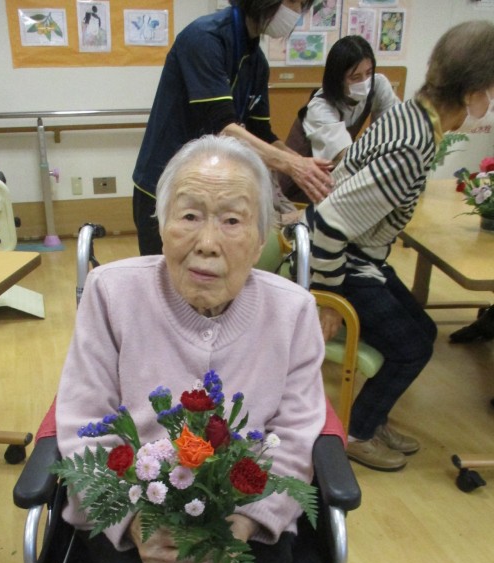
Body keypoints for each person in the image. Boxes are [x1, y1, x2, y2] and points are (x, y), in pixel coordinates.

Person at [56, 135, 327, 563]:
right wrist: (138, 525)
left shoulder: (292, 311)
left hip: (247, 525)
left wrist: (245, 523)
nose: (207, 243)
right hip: (133, 519)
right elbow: (82, 425)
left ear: (261, 237)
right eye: (189, 215)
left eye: (232, 219)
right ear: (160, 224)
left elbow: (297, 436)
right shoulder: (112, 294)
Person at [305, 20, 494, 472]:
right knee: (412, 348)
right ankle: (357, 433)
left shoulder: (412, 113)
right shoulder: (411, 144)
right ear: (473, 93)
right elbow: (329, 224)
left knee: (423, 333)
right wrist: (328, 298)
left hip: (357, 254)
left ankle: (371, 419)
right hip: (339, 258)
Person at [132, 0, 334, 256]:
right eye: (294, 2)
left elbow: (262, 133)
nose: (297, 12)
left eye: (303, 5)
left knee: (209, 270)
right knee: (167, 274)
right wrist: (293, 166)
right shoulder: (204, 38)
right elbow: (222, 127)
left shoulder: (257, 63)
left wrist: (305, 166)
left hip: (210, 190)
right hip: (163, 184)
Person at [278, 35, 400, 204]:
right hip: (298, 186)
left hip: (331, 178)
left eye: (369, 73)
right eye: (355, 77)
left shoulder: (378, 85)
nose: (365, 82)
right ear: (338, 79)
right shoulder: (320, 108)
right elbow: (347, 158)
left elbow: (394, 130)